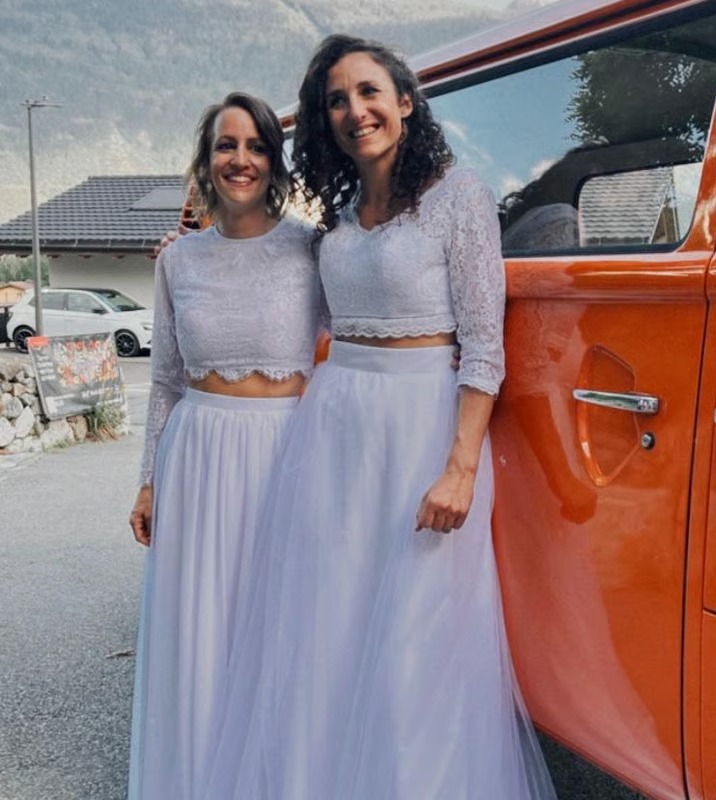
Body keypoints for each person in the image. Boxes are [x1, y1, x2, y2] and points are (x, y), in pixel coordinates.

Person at [203, 35, 557, 800]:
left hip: (422, 434)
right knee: (326, 628)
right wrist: (197, 249)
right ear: (324, 121)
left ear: (404, 101)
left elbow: (484, 345)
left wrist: (460, 468)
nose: (354, 110)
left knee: (417, 643)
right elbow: (281, 299)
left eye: (368, 92)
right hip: (334, 433)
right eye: (336, 100)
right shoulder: (334, 217)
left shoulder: (457, 197)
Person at [127, 91, 321, 800]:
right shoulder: (177, 261)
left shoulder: (310, 249)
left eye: (256, 145)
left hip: (287, 455)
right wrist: (149, 480)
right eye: (226, 145)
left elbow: (362, 339)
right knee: (201, 636)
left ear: (275, 160)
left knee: (282, 631)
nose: (241, 160)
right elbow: (164, 381)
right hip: (198, 458)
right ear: (206, 161)